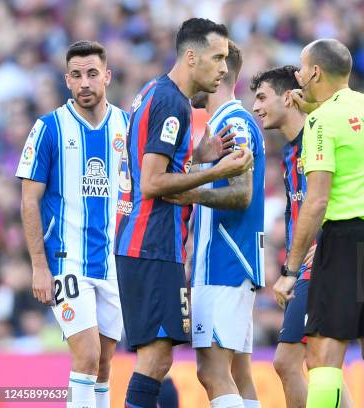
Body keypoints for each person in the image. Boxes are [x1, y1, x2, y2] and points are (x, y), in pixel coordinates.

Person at [114, 18, 253, 408]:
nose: (225, 68)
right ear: (191, 57)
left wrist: (195, 158)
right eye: (218, 57)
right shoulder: (172, 101)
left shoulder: (154, 92)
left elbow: (155, 167)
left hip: (148, 243)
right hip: (150, 243)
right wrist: (217, 171)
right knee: (156, 359)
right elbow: (153, 183)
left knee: (157, 360)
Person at [273, 39, 364, 407]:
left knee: (323, 355)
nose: (298, 76)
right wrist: (314, 106)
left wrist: (290, 269)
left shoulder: (320, 121)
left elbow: (315, 202)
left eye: (301, 68)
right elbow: (345, 119)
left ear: (315, 72)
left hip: (345, 238)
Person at [17, 40, 128, 408]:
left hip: (112, 263)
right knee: (86, 354)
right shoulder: (49, 128)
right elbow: (29, 200)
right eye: (77, 75)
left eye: (92, 74)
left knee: (104, 363)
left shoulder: (124, 126)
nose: (85, 83)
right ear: (67, 80)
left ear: (107, 77)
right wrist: (38, 266)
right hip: (67, 262)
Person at [165, 40, 264, 408]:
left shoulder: (233, 123)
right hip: (234, 258)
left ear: (221, 73)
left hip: (224, 258)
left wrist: (190, 194)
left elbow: (242, 194)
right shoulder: (225, 123)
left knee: (212, 371)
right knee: (239, 373)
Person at [251, 66, 353, 408]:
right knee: (316, 361)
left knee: (291, 361)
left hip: (323, 264)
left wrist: (317, 251)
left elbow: (331, 200)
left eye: (262, 97)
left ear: (288, 96)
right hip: (306, 267)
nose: (256, 106)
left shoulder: (318, 139)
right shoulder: (290, 151)